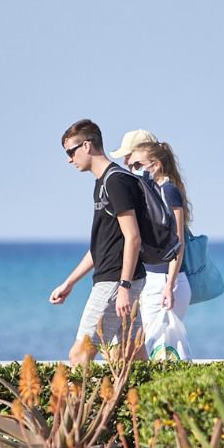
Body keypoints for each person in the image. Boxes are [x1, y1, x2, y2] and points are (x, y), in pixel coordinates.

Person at [49, 119, 148, 363]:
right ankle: (151, 401)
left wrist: (124, 287)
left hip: (116, 282)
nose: (69, 159)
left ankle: (75, 403)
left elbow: (133, 237)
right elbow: (101, 247)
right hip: (120, 280)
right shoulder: (104, 183)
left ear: (87, 146)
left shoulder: (116, 182)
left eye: (71, 152)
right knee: (129, 357)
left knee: (80, 353)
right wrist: (69, 283)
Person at [126, 141, 192, 357]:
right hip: (155, 281)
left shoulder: (168, 191)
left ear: (154, 165)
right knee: (155, 347)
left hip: (165, 281)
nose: (132, 169)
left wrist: (169, 285)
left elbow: (177, 243)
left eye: (137, 164)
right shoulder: (154, 192)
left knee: (159, 349)